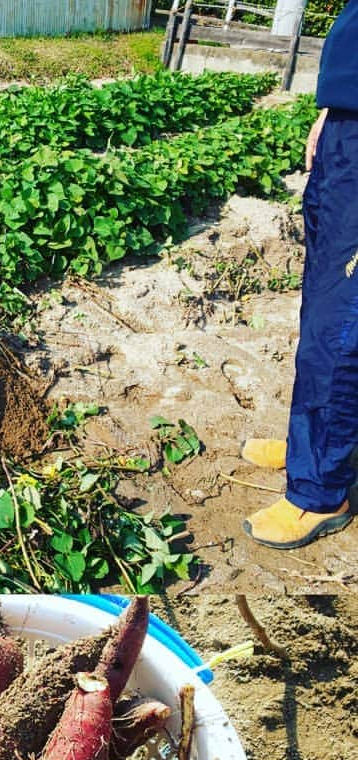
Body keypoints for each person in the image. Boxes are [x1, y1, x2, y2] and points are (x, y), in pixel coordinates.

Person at [242, 0, 358, 549]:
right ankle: (310, 443)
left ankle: (320, 490)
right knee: (322, 303)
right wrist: (333, 110)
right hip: (348, 125)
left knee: (341, 321)